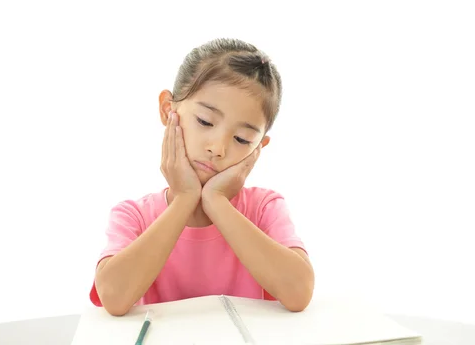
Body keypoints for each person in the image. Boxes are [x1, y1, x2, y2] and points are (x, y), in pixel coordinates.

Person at [90, 38, 314, 316]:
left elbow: (299, 293)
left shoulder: (264, 207)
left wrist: (216, 201)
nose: (217, 148)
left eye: (242, 139)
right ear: (167, 110)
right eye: (205, 121)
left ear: (258, 149)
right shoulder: (135, 215)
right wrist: (185, 198)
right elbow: (113, 297)